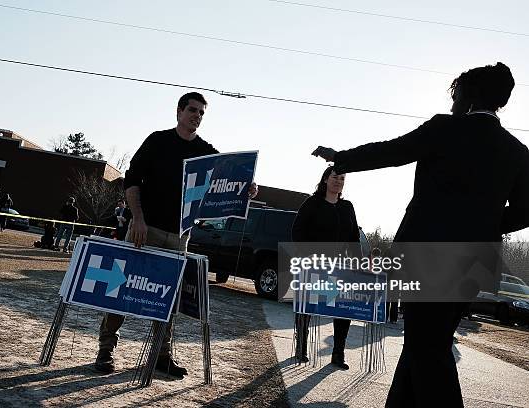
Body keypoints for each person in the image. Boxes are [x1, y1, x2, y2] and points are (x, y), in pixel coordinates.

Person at [312, 62, 529, 407]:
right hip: (474, 261)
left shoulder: (444, 128)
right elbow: (525, 210)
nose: (453, 100)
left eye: (456, 94)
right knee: (425, 342)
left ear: (467, 97)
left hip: (423, 255)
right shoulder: (517, 152)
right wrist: (483, 222)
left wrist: (342, 158)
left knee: (429, 350)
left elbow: (392, 151)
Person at [94, 92, 258, 378]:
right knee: (120, 289)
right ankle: (106, 350)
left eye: (201, 113)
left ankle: (161, 356)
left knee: (167, 299)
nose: (197, 116)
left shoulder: (206, 152)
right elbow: (131, 182)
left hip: (179, 235)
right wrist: (139, 220)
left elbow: (225, 182)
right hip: (146, 229)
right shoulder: (157, 141)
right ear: (179, 111)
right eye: (192, 110)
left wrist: (246, 189)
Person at [291, 166, 359, 369]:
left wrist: (358, 266)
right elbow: (297, 231)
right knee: (307, 308)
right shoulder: (313, 203)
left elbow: (354, 239)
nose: (338, 181)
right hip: (313, 265)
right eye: (335, 177)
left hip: (340, 267)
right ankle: (301, 347)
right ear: (325, 180)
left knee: (343, 310)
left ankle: (338, 354)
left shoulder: (347, 207)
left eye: (342, 178)